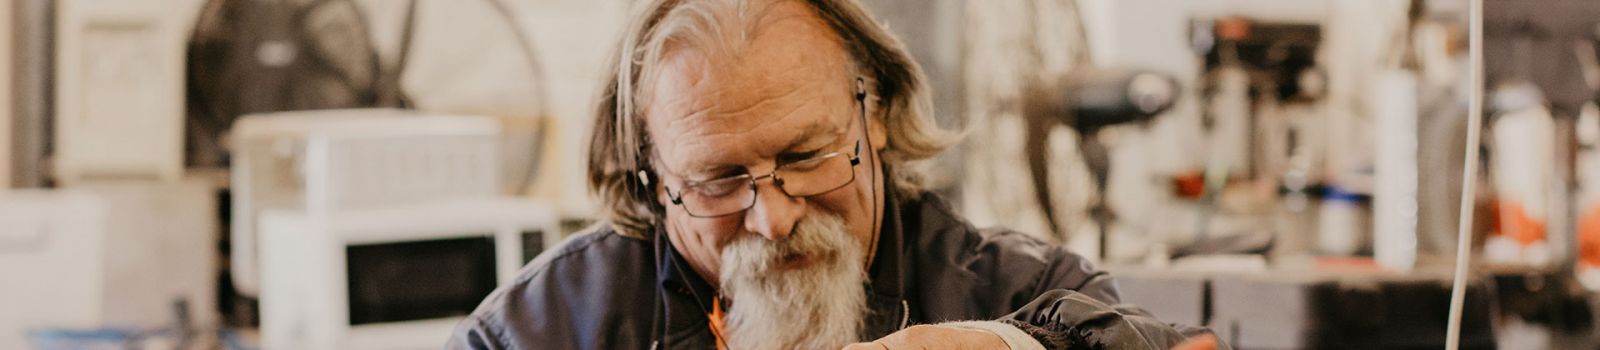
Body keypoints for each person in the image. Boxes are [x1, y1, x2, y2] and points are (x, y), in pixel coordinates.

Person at [448, 0, 1220, 349]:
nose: (773, 217)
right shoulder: (539, 331)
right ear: (650, 179)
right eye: (718, 180)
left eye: (806, 156)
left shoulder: (1016, 288)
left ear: (873, 112)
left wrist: (1014, 349)